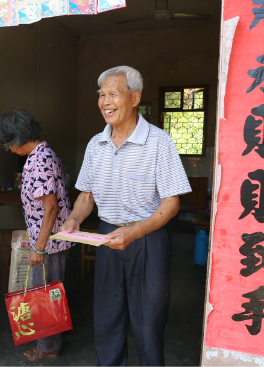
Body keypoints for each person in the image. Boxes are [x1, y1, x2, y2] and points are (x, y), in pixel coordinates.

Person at [61, 66, 191, 366]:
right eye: (102, 95)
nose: (106, 102)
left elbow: (171, 205)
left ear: (135, 98)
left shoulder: (159, 142)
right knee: (107, 316)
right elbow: (86, 195)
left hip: (147, 237)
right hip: (108, 237)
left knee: (148, 322)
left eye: (113, 94)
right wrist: (74, 219)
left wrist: (134, 232)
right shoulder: (97, 144)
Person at [0, 110, 73, 362]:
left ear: (18, 140)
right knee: (49, 289)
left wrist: (38, 249)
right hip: (50, 239)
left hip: (49, 242)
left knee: (46, 291)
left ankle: (48, 348)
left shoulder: (40, 160)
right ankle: (49, 342)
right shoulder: (42, 153)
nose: (10, 150)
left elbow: (51, 207)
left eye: (9, 145)